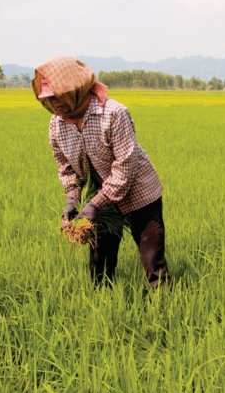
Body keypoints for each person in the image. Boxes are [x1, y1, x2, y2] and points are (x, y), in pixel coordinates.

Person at [33, 56, 170, 289]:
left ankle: (165, 307)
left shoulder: (114, 113)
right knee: (99, 264)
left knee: (152, 260)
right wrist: (72, 200)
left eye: (59, 96)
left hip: (139, 193)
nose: (55, 103)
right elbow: (66, 167)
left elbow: (125, 167)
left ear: (75, 90)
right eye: (49, 98)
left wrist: (95, 204)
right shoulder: (56, 124)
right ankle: (103, 307)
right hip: (100, 200)